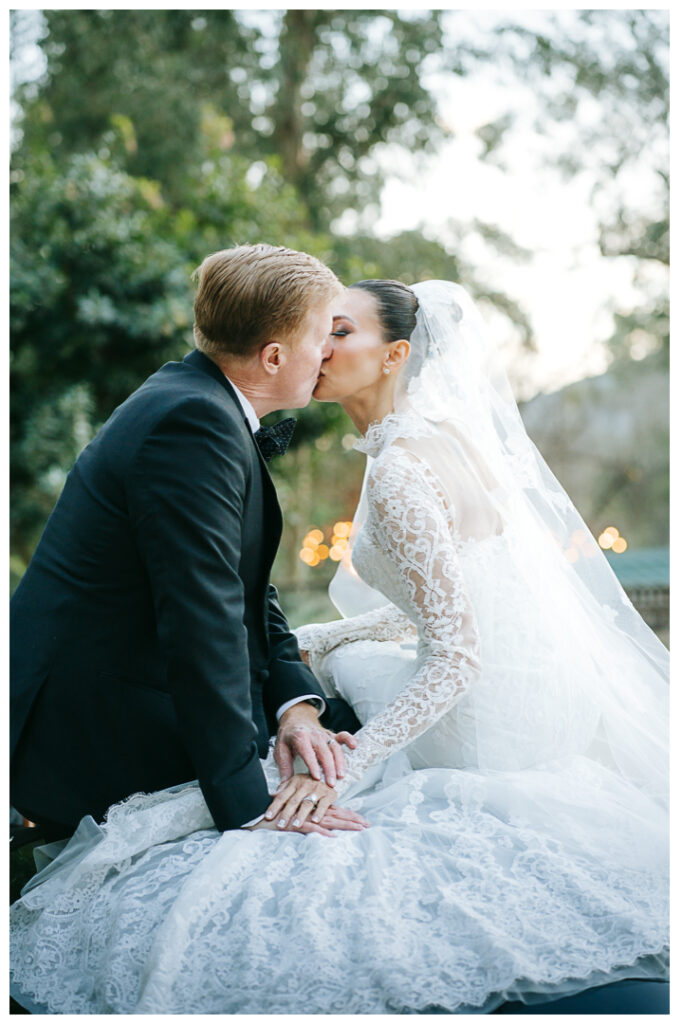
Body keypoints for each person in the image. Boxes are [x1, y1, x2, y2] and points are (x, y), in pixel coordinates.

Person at [10, 279, 668, 1015]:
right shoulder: (427, 442)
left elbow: (452, 647)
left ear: (393, 356)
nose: (322, 346)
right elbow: (429, 612)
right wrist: (306, 673)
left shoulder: (399, 469)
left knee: (295, 784)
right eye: (320, 330)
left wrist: (338, 771)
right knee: (332, 666)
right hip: (520, 691)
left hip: (475, 707)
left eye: (339, 331)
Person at [10, 243, 368, 844]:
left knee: (345, 736)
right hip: (90, 724)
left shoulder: (199, 400)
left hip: (135, 688)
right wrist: (248, 805)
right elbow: (202, 620)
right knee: (346, 788)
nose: (330, 352)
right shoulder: (191, 425)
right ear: (275, 356)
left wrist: (294, 706)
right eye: (323, 336)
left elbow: (246, 587)